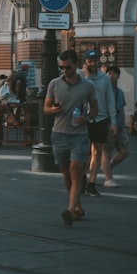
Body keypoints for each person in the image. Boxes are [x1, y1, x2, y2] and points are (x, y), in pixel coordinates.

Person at [44, 49, 99, 227]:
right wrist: (52, 110)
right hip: (59, 134)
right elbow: (46, 108)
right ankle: (77, 206)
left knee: (76, 171)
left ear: (76, 64)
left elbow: (95, 109)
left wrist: (87, 117)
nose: (65, 71)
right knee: (66, 173)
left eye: (68, 67)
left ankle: (69, 209)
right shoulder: (54, 84)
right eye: (62, 68)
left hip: (79, 135)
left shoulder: (88, 85)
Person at [83, 50, 116, 197]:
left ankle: (92, 183)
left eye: (95, 60)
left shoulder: (104, 78)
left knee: (97, 152)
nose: (93, 63)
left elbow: (110, 100)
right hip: (85, 118)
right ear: (85, 62)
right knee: (84, 153)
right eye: (90, 61)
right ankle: (81, 181)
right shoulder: (80, 76)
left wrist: (113, 121)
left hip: (101, 118)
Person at [103, 65, 130, 187]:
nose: (112, 76)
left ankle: (109, 167)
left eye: (114, 74)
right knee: (106, 152)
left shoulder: (120, 93)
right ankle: (108, 178)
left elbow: (122, 109)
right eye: (110, 74)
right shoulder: (103, 92)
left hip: (119, 126)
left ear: (118, 76)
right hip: (107, 126)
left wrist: (123, 125)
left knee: (125, 151)